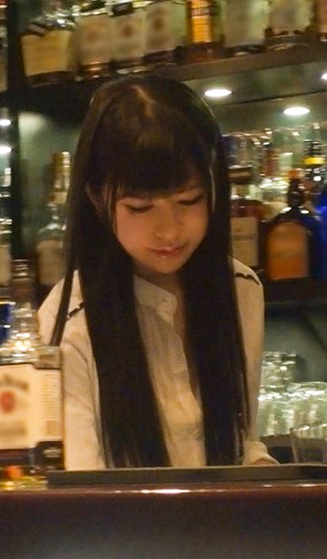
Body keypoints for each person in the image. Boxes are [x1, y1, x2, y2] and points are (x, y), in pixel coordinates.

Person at [37, 75, 276, 469]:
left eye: (189, 200)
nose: (169, 231)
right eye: (140, 207)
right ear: (96, 198)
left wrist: (261, 470)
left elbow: (240, 440)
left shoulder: (240, 289)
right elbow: (81, 489)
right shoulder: (68, 325)